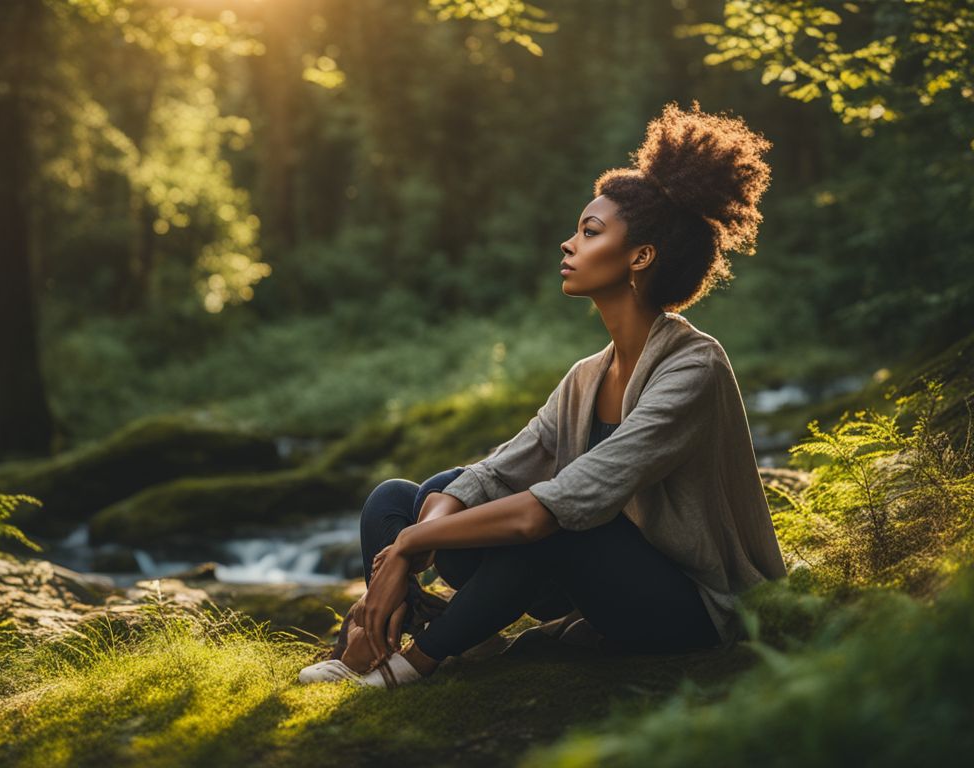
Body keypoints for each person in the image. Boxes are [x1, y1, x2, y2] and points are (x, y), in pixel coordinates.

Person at [299, 100, 789, 689]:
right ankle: (366, 646)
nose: (567, 243)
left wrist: (414, 542)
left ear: (640, 256)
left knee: (553, 517)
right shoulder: (587, 375)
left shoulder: (695, 367)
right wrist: (412, 532)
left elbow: (557, 507)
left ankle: (416, 664)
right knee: (407, 494)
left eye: (589, 232)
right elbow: (491, 474)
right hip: (590, 583)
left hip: (688, 607)